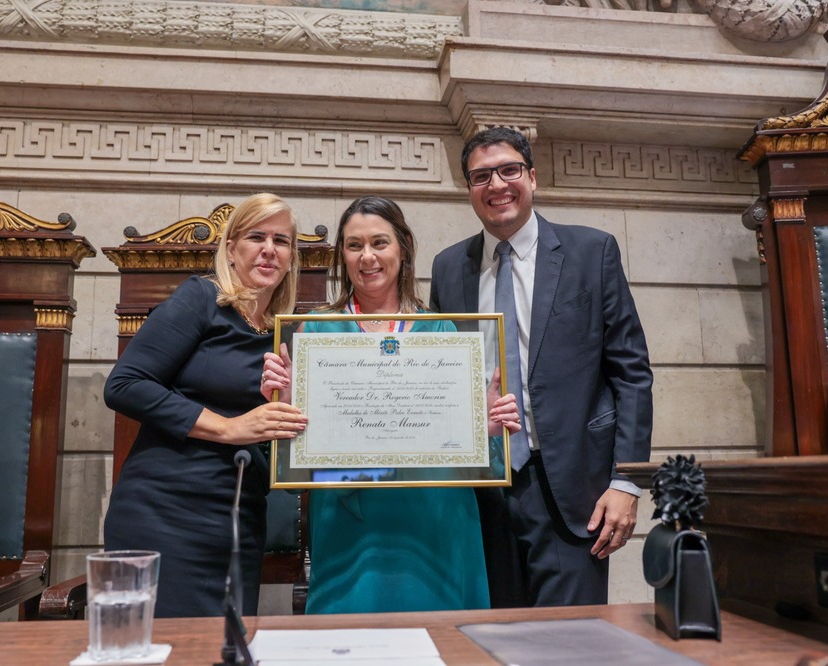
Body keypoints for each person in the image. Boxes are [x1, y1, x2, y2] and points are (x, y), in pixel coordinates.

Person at [262, 195, 521, 614]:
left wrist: (486, 429)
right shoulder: (316, 332)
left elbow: (475, 463)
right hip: (349, 527)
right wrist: (287, 410)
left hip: (435, 519)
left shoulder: (441, 329)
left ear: (403, 248)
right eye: (354, 245)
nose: (367, 257)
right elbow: (293, 472)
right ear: (341, 255)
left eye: (379, 243)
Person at [430, 127, 653, 607]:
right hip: (482, 490)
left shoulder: (591, 252)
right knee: (489, 644)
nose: (497, 185)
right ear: (468, 189)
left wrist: (627, 481)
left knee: (570, 647)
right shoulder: (449, 267)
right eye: (481, 176)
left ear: (532, 177)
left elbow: (631, 373)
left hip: (574, 489)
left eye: (509, 170)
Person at [102, 192, 309, 618]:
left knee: (226, 651)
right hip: (164, 508)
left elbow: (275, 447)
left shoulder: (289, 334)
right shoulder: (201, 299)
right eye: (256, 237)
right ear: (231, 249)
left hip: (238, 517)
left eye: (282, 240)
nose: (269, 249)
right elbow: (124, 384)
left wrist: (287, 417)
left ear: (291, 258)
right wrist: (229, 428)